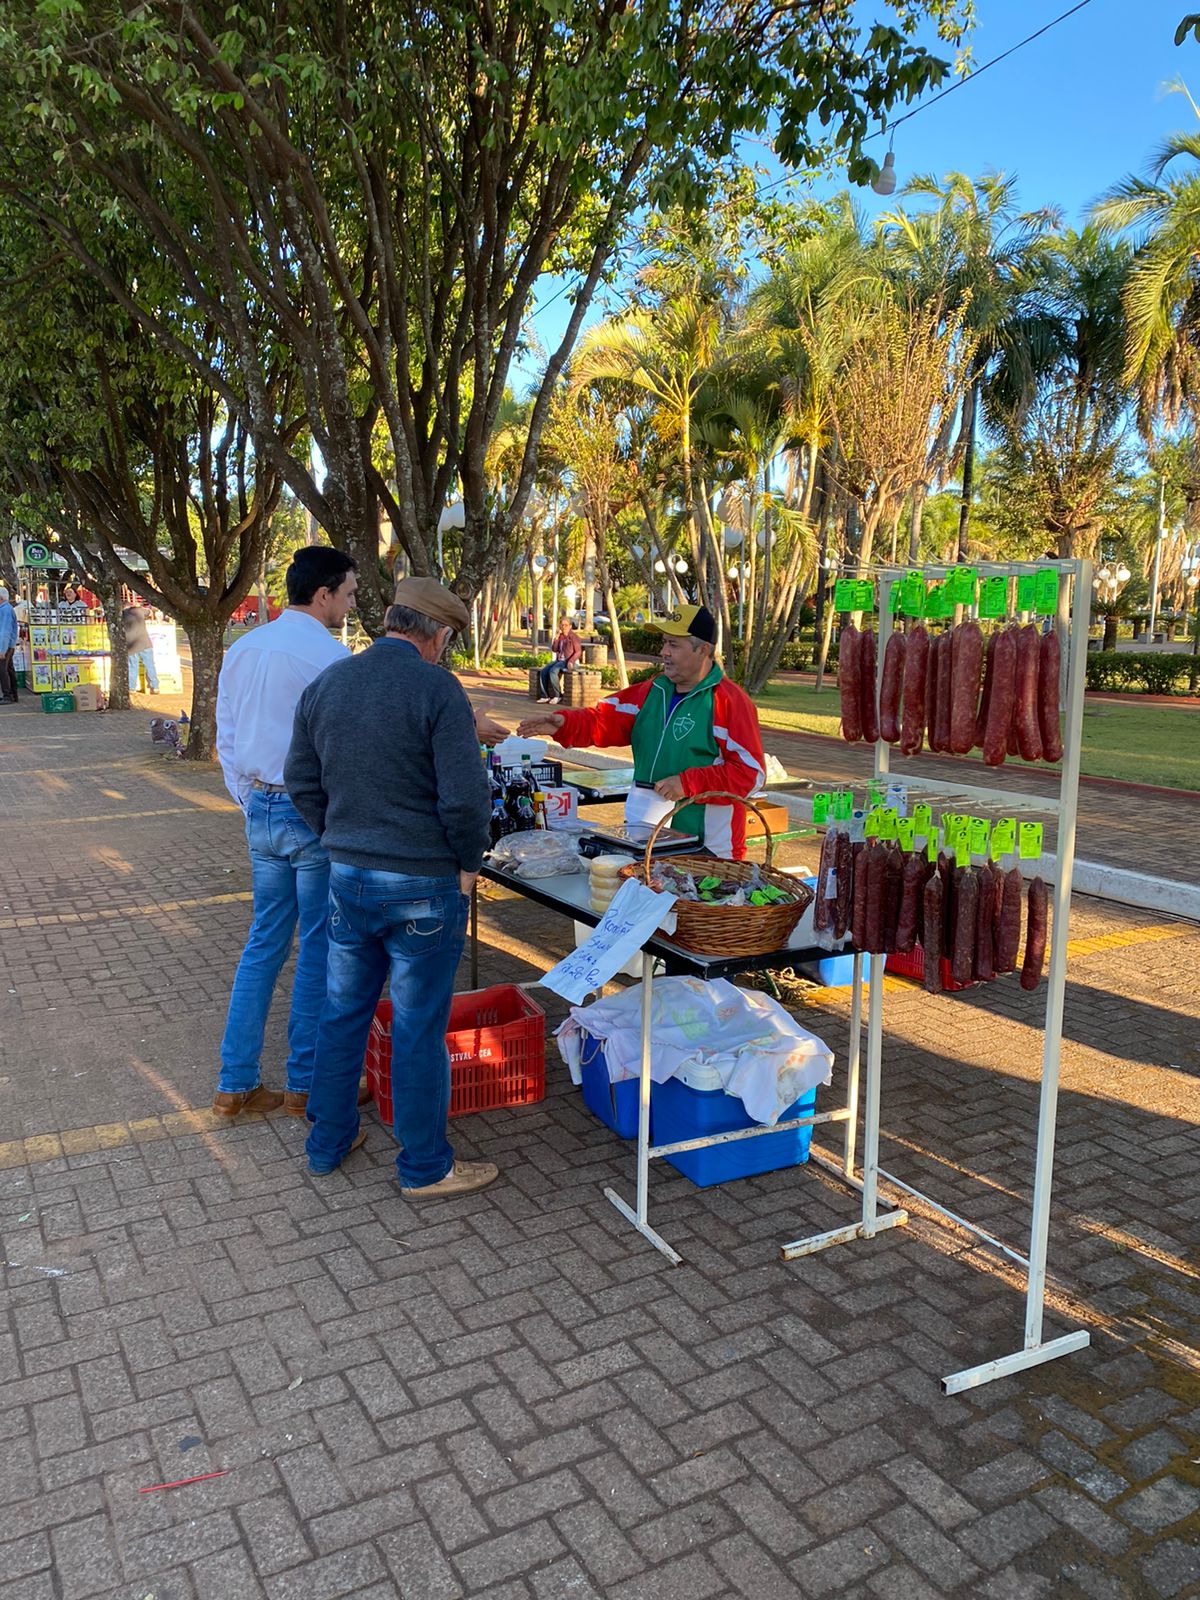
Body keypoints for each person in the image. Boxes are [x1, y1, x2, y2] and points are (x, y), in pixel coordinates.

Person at [285, 576, 496, 1195]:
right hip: (424, 883)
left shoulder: (328, 683)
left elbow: (301, 779)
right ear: (438, 634)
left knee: (343, 1012)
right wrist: (468, 861)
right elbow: (464, 798)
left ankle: (327, 1140)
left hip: (348, 877)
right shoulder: (437, 687)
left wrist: (338, 837)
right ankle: (425, 1167)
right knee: (417, 1026)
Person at [211, 547, 359, 1121]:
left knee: (265, 945)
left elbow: (225, 734)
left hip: (262, 812)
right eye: (347, 593)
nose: (350, 605)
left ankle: (236, 1083)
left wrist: (248, 800)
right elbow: (344, 750)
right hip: (309, 814)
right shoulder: (330, 657)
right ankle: (306, 1083)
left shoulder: (243, 648)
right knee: (318, 946)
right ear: (322, 595)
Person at [519, 603, 765, 859]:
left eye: (674, 644)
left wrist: (689, 783)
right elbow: (603, 720)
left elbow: (751, 774)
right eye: (664, 643)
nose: (663, 652)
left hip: (710, 849)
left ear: (703, 650)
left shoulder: (730, 703)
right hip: (646, 837)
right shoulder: (651, 692)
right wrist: (565, 724)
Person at [536, 614, 582, 703]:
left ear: (570, 626)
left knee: (553, 671)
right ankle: (545, 696)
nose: (563, 627)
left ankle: (558, 696)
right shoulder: (560, 636)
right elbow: (554, 649)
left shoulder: (573, 637)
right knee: (544, 671)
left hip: (569, 661)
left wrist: (571, 661)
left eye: (566, 625)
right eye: (562, 625)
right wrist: (556, 639)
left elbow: (578, 651)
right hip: (560, 660)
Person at [123, 603, 160, 693]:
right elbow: (150, 612)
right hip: (144, 642)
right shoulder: (139, 610)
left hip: (132, 644)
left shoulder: (122, 614)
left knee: (133, 666)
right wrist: (139, 606)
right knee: (150, 665)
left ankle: (132, 687)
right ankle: (155, 686)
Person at [0, 586, 18, 704]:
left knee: (3, 670)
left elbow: (5, 631)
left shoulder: (5, 610)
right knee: (9, 669)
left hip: (5, 645)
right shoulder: (6, 608)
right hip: (9, 645)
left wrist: (2, 649)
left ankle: (7, 695)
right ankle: (13, 694)